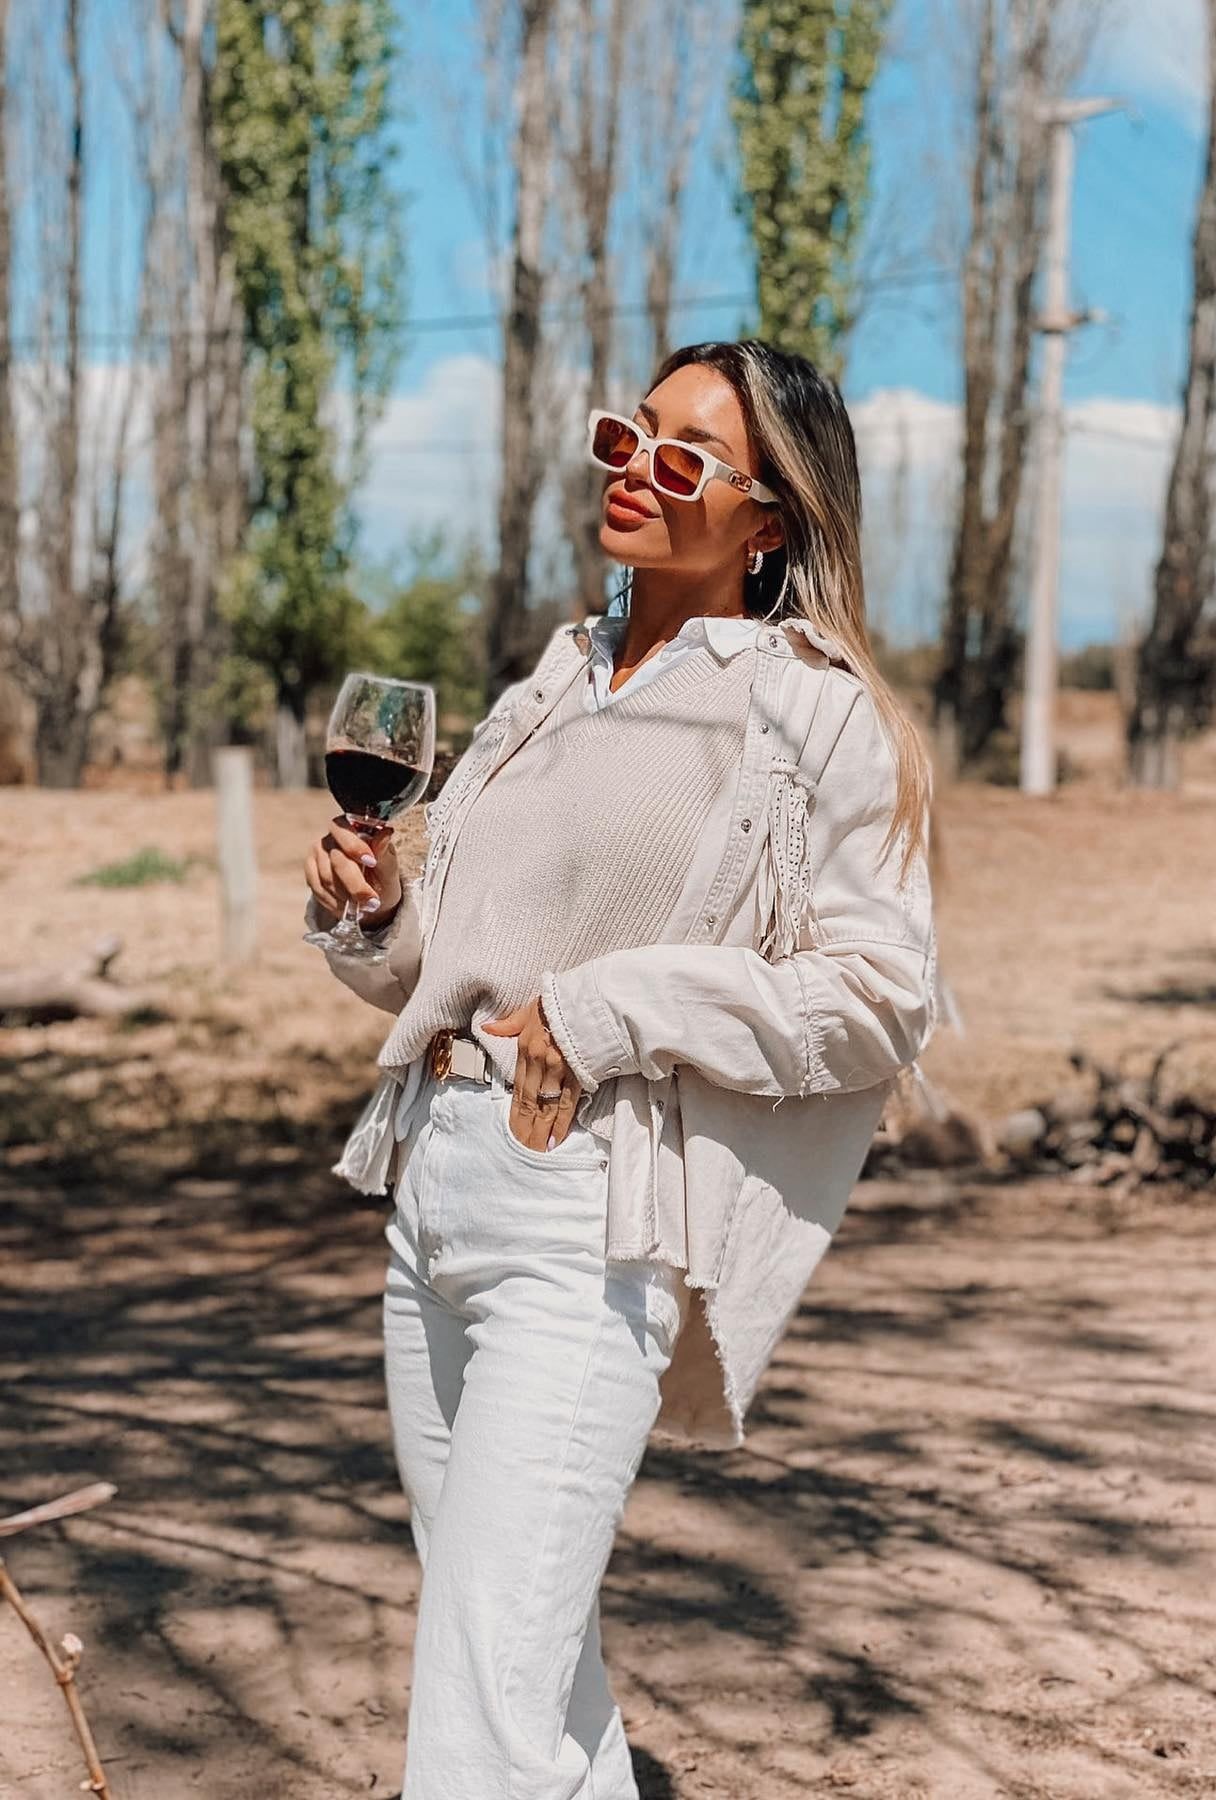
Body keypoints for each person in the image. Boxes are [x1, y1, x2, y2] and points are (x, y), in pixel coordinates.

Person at [303, 339, 944, 1800]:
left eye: (682, 457)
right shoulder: (554, 680)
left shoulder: (812, 712)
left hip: (590, 1209)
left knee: (481, 1683)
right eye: (623, 434)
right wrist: (377, 914)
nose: (631, 469)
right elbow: (439, 975)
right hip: (434, 1186)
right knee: (529, 1658)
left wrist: (611, 1011)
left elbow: (875, 996)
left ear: (769, 521)